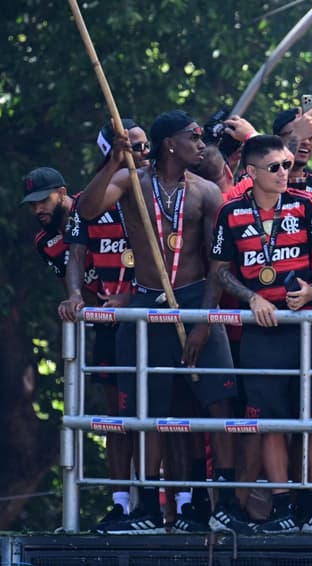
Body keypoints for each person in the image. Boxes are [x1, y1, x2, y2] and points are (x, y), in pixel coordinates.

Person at [76, 111, 248, 534]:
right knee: (145, 408)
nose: (201, 144)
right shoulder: (131, 181)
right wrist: (115, 161)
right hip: (146, 302)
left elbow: (219, 264)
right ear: (169, 143)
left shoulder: (206, 191)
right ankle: (149, 508)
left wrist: (204, 321)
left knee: (219, 403)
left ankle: (224, 502)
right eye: (193, 137)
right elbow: (87, 209)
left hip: (195, 300)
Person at [209, 134, 312, 534]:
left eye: (287, 165)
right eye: (275, 167)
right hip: (261, 329)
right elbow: (219, 271)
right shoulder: (230, 213)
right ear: (251, 172)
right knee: (271, 421)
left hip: (306, 325)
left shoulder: (305, 205)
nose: (285, 172)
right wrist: (252, 298)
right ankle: (282, 506)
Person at [61, 119, 147, 531]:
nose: (142, 153)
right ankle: (120, 502)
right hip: (109, 322)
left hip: (151, 313)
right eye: (133, 146)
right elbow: (75, 256)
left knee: (164, 412)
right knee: (117, 415)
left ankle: (173, 502)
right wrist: (76, 294)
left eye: (145, 145)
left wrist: (132, 296)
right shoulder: (89, 200)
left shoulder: (158, 190)